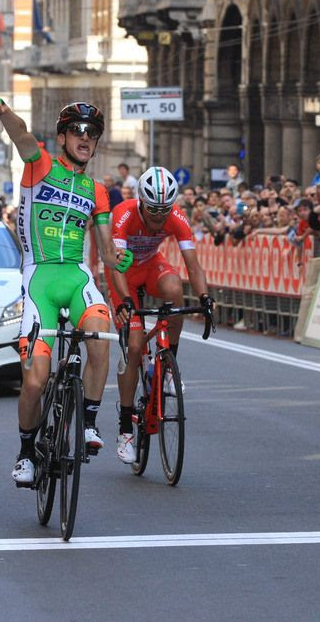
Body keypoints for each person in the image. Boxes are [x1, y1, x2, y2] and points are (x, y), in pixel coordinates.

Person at [0, 97, 128, 486]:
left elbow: (108, 251)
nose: (86, 138)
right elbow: (21, 136)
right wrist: (4, 114)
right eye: (78, 131)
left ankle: (90, 422)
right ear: (63, 136)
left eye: (93, 133)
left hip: (77, 277)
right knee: (35, 379)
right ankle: (26, 451)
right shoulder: (40, 167)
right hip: (39, 281)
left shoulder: (96, 191)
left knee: (101, 333)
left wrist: (121, 265)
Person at [105, 167, 213, 463]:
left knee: (175, 286)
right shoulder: (124, 214)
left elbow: (193, 264)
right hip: (123, 274)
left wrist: (204, 298)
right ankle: (125, 427)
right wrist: (126, 301)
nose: (158, 218)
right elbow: (115, 266)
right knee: (137, 346)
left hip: (151, 265)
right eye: (153, 210)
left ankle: (168, 363)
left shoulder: (177, 217)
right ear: (141, 201)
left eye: (164, 211)